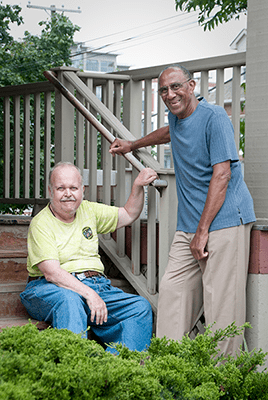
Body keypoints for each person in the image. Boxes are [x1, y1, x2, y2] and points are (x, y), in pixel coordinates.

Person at [109, 65, 256, 357]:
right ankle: (170, 368)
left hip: (226, 222)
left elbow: (222, 175)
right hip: (189, 224)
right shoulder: (176, 118)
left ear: (191, 86)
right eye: (163, 90)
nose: (170, 94)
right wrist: (133, 144)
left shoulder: (215, 118)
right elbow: (168, 133)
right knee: (173, 294)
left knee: (222, 306)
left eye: (176, 87)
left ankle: (222, 381)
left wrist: (202, 233)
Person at [20, 161, 158, 353]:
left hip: (96, 286)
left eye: (73, 188)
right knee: (70, 300)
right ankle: (78, 369)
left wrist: (137, 186)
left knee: (139, 307)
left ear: (82, 190)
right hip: (49, 288)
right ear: (51, 191)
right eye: (61, 188)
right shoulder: (41, 223)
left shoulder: (89, 210)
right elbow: (52, 273)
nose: (68, 193)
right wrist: (89, 294)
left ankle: (115, 371)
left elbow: (128, 214)